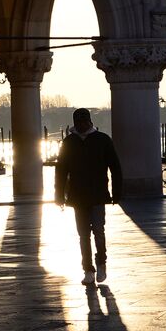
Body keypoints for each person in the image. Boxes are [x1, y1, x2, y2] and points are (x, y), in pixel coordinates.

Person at [54, 108, 123, 287]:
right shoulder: (69, 142)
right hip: (78, 195)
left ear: (90, 122)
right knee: (83, 235)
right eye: (79, 123)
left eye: (84, 122)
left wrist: (117, 192)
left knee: (98, 231)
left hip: (98, 194)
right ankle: (88, 270)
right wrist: (59, 195)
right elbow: (61, 170)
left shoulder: (103, 140)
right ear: (75, 123)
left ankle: (101, 263)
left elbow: (115, 167)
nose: (81, 126)